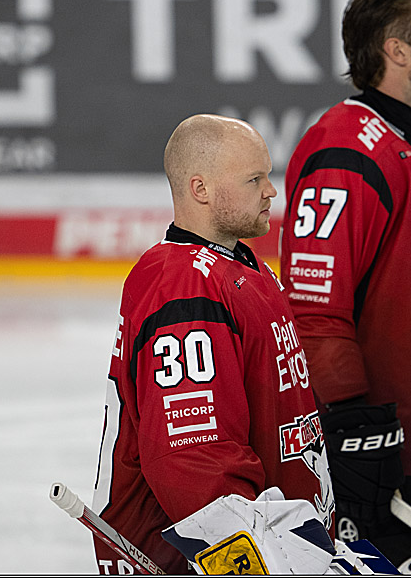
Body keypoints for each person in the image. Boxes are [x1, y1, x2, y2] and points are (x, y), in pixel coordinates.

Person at [280, 0, 411, 573]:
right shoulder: (344, 149)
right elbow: (314, 310)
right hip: (383, 455)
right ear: (398, 50)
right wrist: (349, 433)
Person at [91, 114, 334, 574]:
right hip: (206, 561)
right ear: (200, 189)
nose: (271, 190)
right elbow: (195, 457)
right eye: (254, 179)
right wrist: (260, 560)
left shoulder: (245, 268)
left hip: (277, 544)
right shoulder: (182, 285)